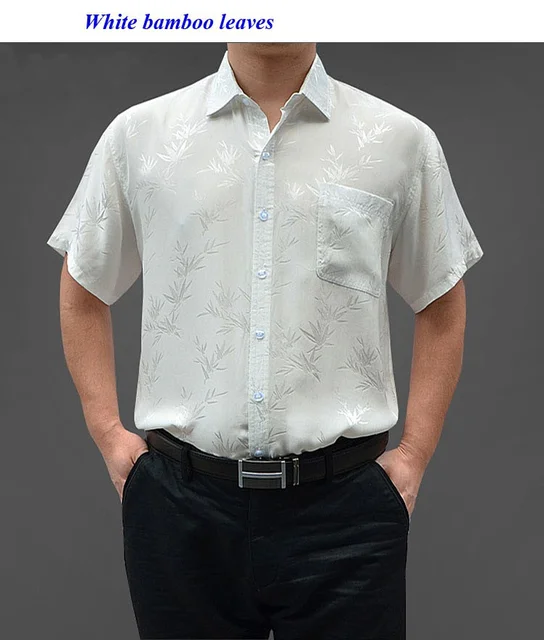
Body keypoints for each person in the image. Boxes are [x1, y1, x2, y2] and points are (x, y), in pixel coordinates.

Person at [46, 42, 484, 640]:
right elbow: (83, 288)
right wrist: (107, 432)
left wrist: (414, 454)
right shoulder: (140, 137)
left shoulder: (398, 141)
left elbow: (441, 299)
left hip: (346, 514)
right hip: (181, 510)